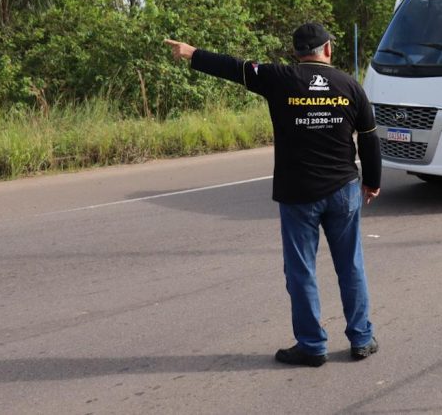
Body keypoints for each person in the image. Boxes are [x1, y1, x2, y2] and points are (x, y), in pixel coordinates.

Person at [163, 22, 381, 368]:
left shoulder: (278, 78)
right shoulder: (350, 86)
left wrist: (193, 53)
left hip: (299, 194)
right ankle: (362, 338)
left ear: (296, 52)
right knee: (350, 265)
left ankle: (312, 345)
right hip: (343, 191)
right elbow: (369, 138)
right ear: (327, 49)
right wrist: (372, 180)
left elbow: (234, 68)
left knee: (301, 270)